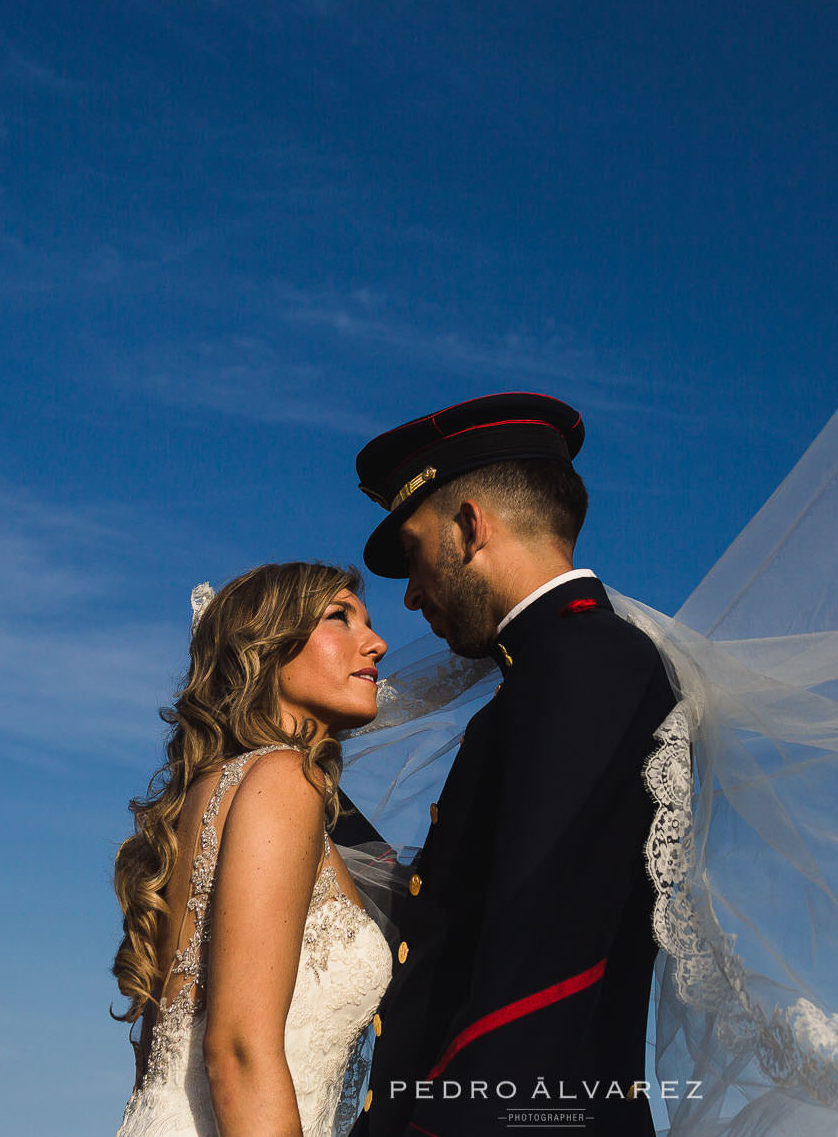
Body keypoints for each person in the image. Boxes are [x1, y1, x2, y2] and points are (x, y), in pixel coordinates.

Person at [348, 393, 680, 1137]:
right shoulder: (558, 664)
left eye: (413, 551)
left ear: (469, 527)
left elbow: (536, 985)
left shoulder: (582, 665)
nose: (409, 594)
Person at [113, 561, 396, 1137]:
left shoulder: (211, 795)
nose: (378, 643)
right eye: (339, 617)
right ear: (265, 646)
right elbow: (239, 1050)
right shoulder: (283, 779)